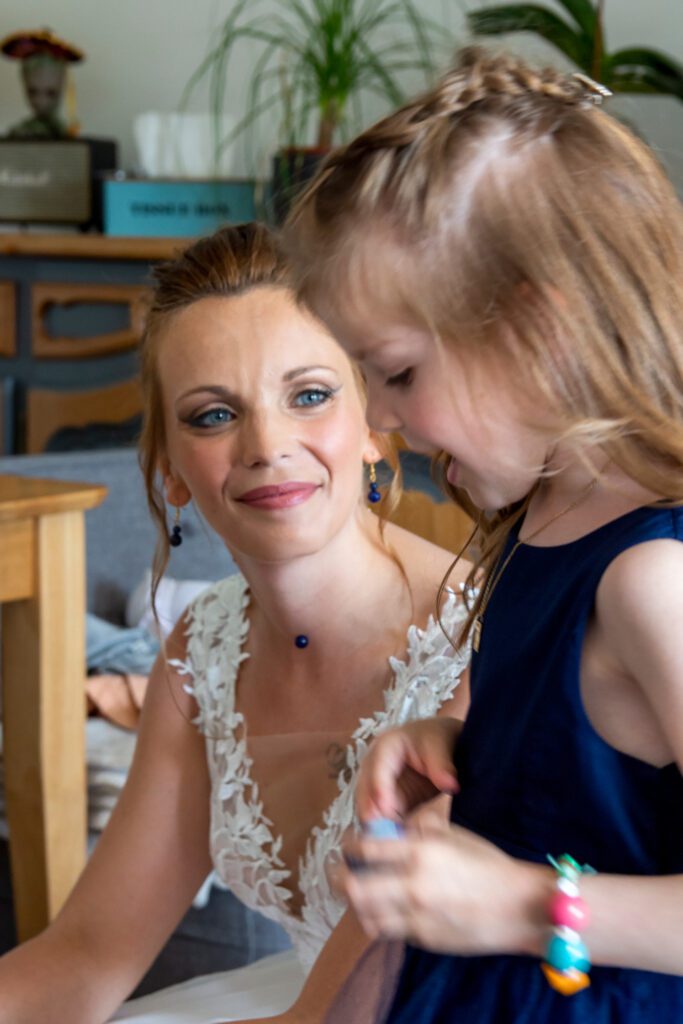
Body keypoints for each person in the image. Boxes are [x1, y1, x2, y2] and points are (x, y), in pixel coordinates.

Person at [283, 46, 683, 1022]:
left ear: (535, 332)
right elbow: (594, 761)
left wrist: (516, 901)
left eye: (399, 372)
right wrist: (461, 739)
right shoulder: (540, 510)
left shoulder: (648, 579)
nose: (378, 416)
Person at [0, 222, 471, 1024]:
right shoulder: (203, 655)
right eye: (213, 416)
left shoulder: (484, 641)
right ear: (167, 471)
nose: (266, 444)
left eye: (309, 396)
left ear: (372, 426)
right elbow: (89, 953)